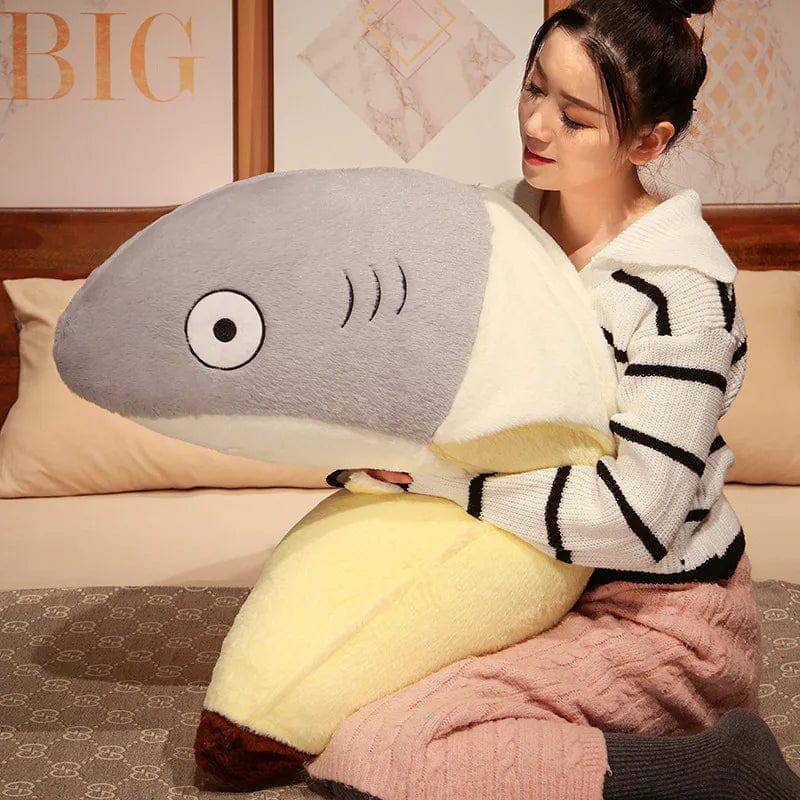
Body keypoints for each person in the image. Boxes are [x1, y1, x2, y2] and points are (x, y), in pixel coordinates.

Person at [307, 0, 800, 798]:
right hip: (518, 578)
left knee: (375, 754)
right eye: (533, 87)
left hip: (657, 614)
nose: (537, 125)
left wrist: (444, 484)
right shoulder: (490, 225)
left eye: (575, 118)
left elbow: (639, 516)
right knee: (317, 705)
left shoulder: (683, 293)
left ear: (648, 142)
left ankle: (722, 767)